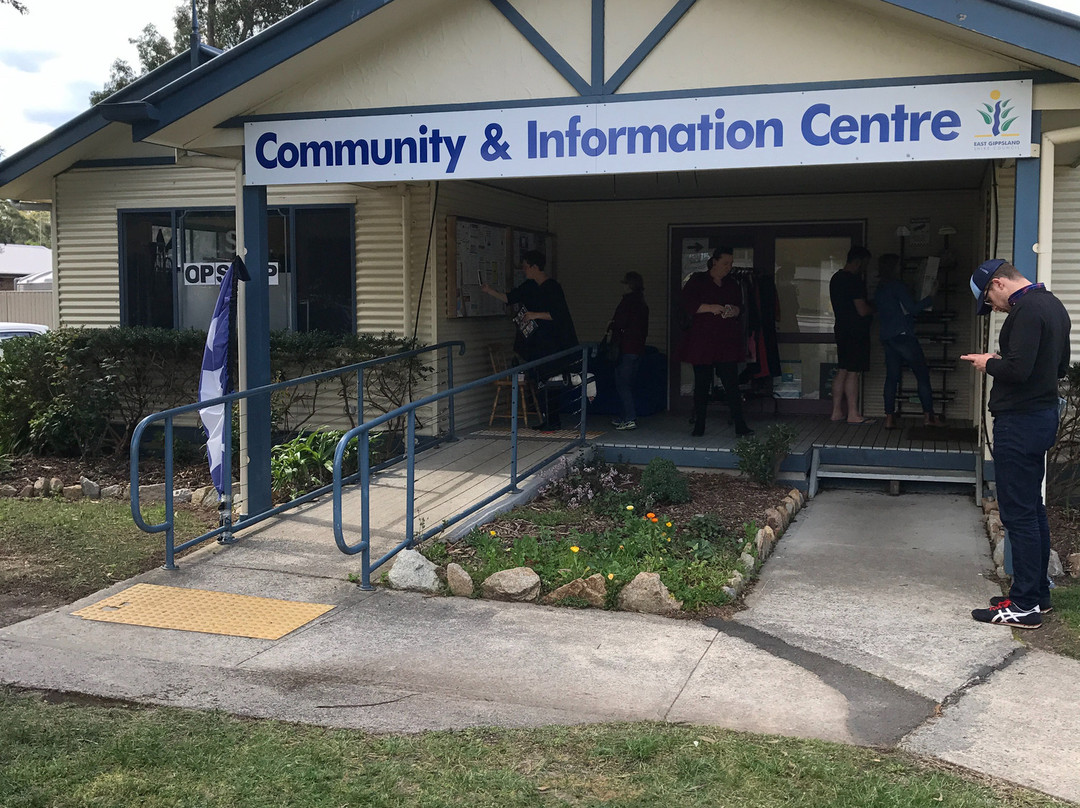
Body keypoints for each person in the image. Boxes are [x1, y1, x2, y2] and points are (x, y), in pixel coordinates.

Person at [962, 259, 1071, 629]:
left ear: (998, 284)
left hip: (1020, 423)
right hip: (1040, 417)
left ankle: (1023, 605)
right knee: (1032, 509)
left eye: (990, 301)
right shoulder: (1053, 305)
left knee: (1018, 513)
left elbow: (1017, 369)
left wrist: (988, 362)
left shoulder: (1025, 311)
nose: (993, 308)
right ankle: (1037, 593)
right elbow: (1057, 368)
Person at [481, 249, 578, 431]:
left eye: (526, 267)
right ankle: (546, 418)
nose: (524, 270)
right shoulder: (529, 286)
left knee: (552, 382)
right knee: (540, 381)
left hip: (554, 343)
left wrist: (534, 315)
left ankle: (553, 419)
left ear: (535, 267)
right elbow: (509, 298)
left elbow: (559, 315)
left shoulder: (553, 287)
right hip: (536, 343)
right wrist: (489, 291)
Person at [679, 246, 752, 437]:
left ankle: (740, 425)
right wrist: (711, 307)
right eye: (725, 263)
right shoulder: (698, 280)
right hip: (702, 341)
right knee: (702, 384)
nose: (728, 267)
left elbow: (741, 308)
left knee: (731, 383)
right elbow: (687, 303)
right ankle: (699, 424)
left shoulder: (732, 284)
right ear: (714, 262)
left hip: (726, 341)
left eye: (731, 264)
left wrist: (733, 311)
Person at [874, 253, 939, 429]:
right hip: (904, 336)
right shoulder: (897, 286)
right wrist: (930, 296)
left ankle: (888, 417)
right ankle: (928, 417)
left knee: (892, 378)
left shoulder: (880, 288)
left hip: (887, 337)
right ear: (895, 268)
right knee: (922, 375)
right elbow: (913, 309)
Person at [829, 245, 875, 424]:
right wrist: (875, 308)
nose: (865, 268)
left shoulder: (836, 278)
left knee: (842, 369)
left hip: (841, 328)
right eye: (865, 264)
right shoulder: (854, 281)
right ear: (858, 262)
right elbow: (862, 310)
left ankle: (836, 411)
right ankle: (853, 413)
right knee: (853, 372)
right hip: (856, 331)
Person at [606, 271, 649, 431]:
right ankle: (625, 416)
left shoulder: (627, 302)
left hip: (625, 348)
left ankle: (630, 418)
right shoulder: (642, 303)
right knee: (628, 384)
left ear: (630, 285)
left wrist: (613, 324)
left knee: (622, 384)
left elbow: (620, 323)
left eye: (625, 283)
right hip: (638, 349)